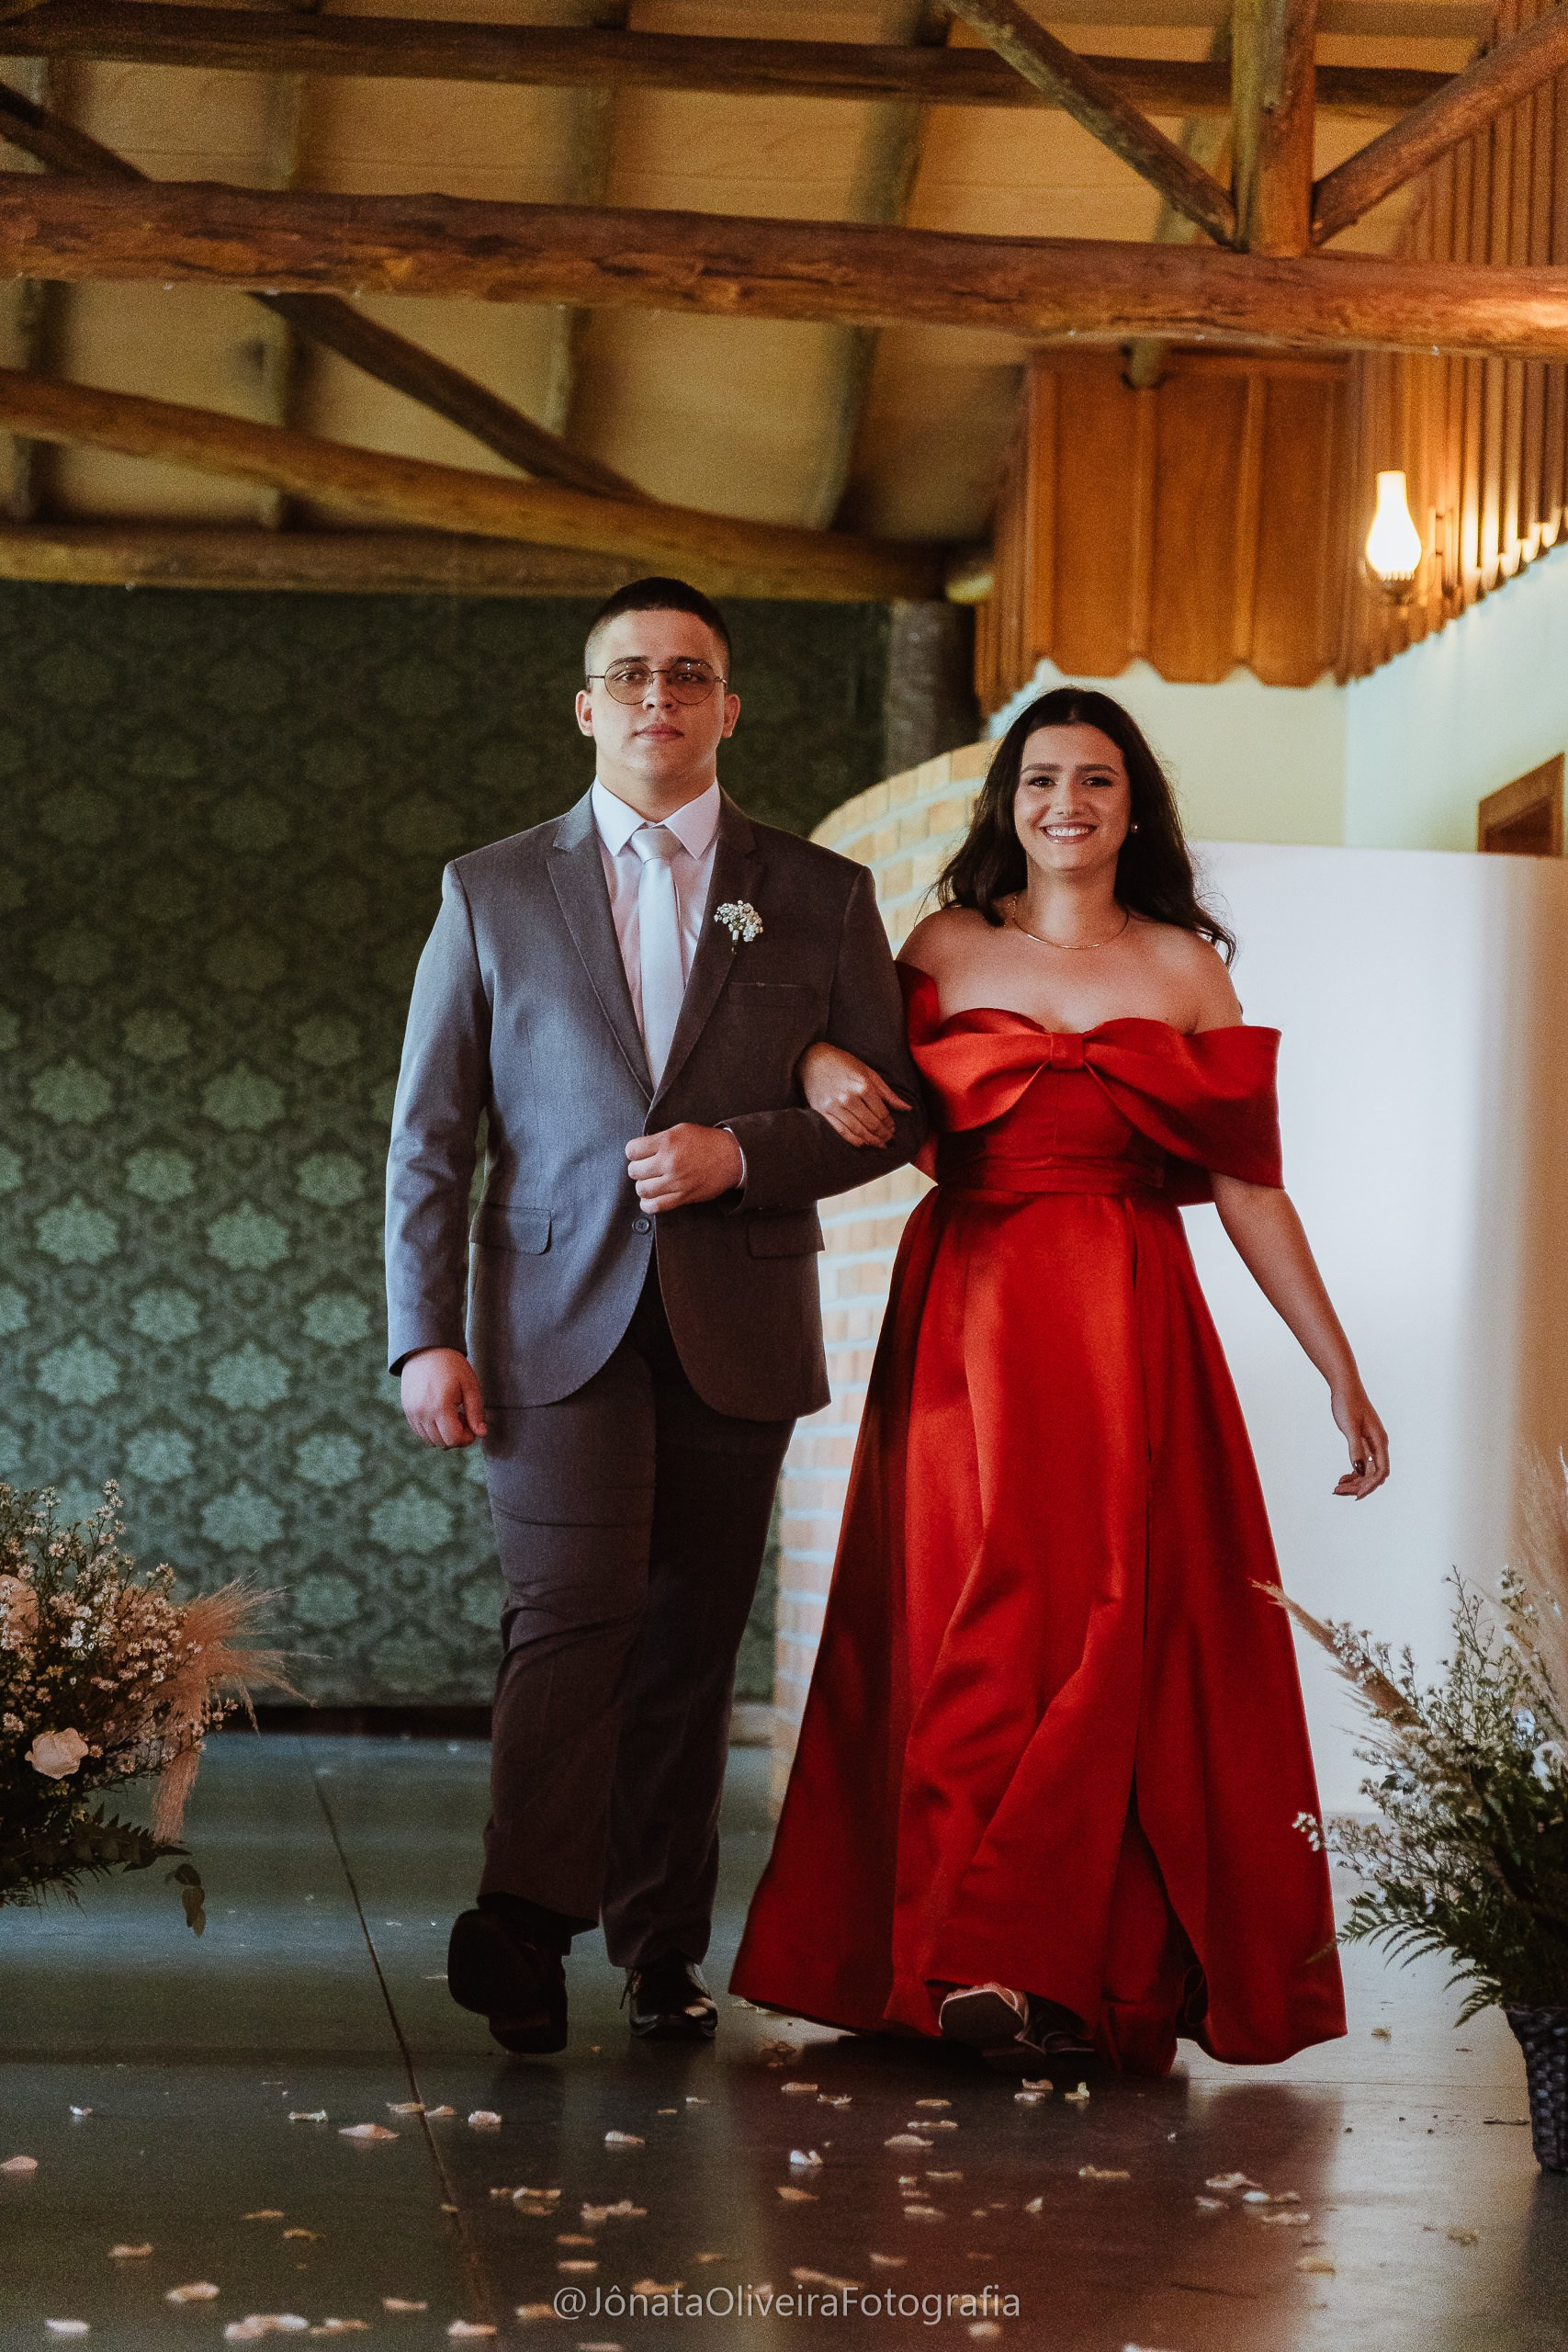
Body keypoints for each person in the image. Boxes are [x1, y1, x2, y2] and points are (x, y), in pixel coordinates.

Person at [731, 686, 1389, 2079]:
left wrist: (1338, 1368)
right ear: (1009, 804)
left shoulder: (1186, 970)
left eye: (1095, 779)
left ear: (1134, 807)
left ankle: (1046, 1966)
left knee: (1111, 1624)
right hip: (965, 1315)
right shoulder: (941, 946)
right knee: (967, 1619)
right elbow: (838, 1074)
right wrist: (814, 1053)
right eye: (1041, 780)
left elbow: (1250, 1185)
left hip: (1127, 1323)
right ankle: (949, 1959)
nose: (1066, 803)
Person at [384, 577, 923, 2055]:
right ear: (586, 706)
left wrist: (742, 1154)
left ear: (727, 707)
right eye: (630, 675)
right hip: (547, 1317)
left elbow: (890, 1116)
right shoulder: (491, 889)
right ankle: (523, 1923)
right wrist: (424, 1332)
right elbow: (430, 1135)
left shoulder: (818, 893)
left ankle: (662, 1950)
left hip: (736, 1320)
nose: (658, 697)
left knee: (691, 1645)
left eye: (688, 675)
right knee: (571, 1616)